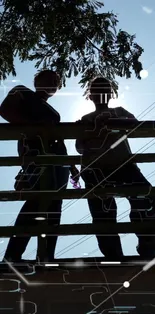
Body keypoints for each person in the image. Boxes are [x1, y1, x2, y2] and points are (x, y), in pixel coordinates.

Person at [75, 77, 155, 259]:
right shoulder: (85, 119)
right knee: (103, 215)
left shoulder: (119, 111)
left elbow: (136, 126)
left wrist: (114, 122)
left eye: (105, 89)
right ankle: (114, 256)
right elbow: (80, 147)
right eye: (96, 89)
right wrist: (86, 130)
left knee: (147, 199)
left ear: (111, 94)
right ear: (90, 95)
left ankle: (148, 245)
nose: (101, 93)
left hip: (124, 166)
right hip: (96, 170)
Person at [1, 69, 74, 263]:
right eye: (48, 79)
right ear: (37, 80)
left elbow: (58, 138)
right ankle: (12, 256)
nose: (52, 83)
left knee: (55, 207)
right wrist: (34, 127)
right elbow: (5, 110)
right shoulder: (22, 92)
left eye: (55, 82)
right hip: (36, 156)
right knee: (35, 202)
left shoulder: (54, 113)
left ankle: (47, 255)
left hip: (59, 162)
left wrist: (71, 165)